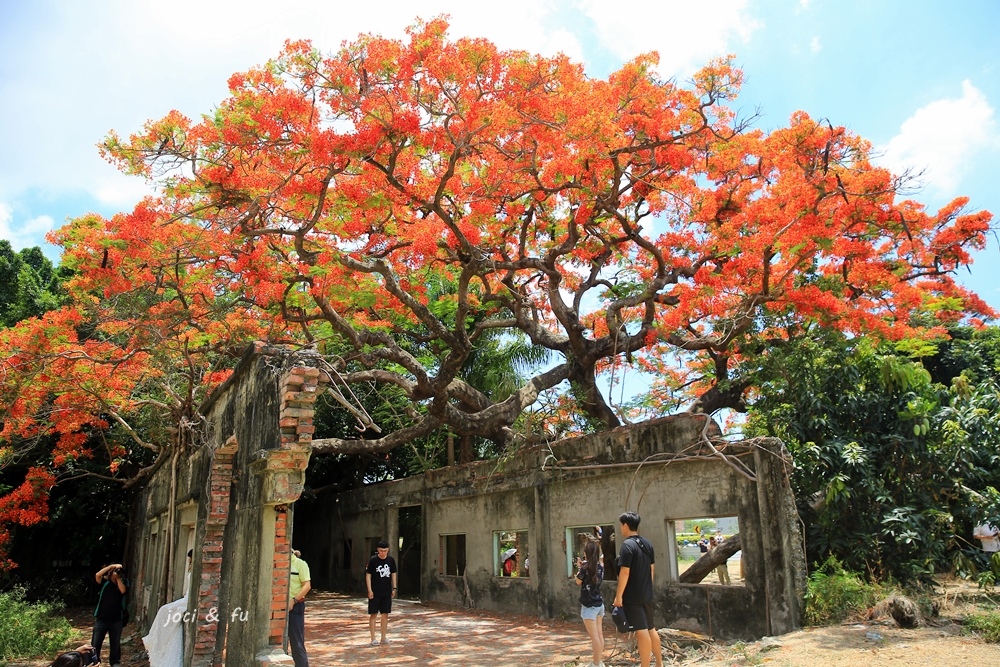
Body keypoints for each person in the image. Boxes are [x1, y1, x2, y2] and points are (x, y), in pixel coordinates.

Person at [612, 512, 663, 667]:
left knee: (641, 631)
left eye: (621, 525)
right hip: (647, 594)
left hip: (633, 596)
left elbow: (625, 572)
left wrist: (619, 596)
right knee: (651, 629)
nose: (621, 528)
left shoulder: (627, 546)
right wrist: (647, 587)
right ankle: (659, 664)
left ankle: (645, 665)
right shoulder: (647, 544)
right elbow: (651, 570)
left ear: (626, 525)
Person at [575, 538, 606, 667]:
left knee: (594, 637)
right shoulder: (601, 567)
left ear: (586, 553)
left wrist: (579, 568)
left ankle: (596, 663)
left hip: (589, 607)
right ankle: (599, 661)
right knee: (599, 635)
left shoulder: (584, 568)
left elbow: (578, 581)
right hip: (599, 605)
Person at [93, 563, 128, 667]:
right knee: (96, 643)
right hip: (101, 619)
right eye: (114, 571)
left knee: (115, 643)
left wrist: (117, 579)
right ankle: (94, 661)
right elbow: (97, 575)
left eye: (118, 571)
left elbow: (123, 591)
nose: (116, 573)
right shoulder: (105, 582)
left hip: (116, 619)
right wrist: (112, 566)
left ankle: (115, 662)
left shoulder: (123, 582)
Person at [366, 540, 397, 646]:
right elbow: (368, 575)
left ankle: (383, 637)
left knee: (385, 614)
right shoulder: (373, 561)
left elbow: (393, 574)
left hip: (387, 591)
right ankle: (373, 638)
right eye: (381, 551)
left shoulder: (391, 560)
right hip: (375, 592)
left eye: (385, 550)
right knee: (373, 614)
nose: (383, 553)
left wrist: (394, 588)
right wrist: (369, 590)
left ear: (387, 550)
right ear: (378, 550)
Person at [288, 547, 312, 667]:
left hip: (295, 606)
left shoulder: (300, 564)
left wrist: (294, 600)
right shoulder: (278, 563)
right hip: (278, 607)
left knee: (297, 643)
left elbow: (307, 585)